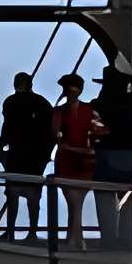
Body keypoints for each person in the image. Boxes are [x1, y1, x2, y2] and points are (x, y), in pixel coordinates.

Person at [0, 71, 52, 238]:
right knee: (34, 196)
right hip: (36, 157)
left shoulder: (10, 102)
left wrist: (1, 147)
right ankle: (32, 232)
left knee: (12, 194)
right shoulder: (42, 103)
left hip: (16, 155)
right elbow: (49, 132)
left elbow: (7, 127)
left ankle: (10, 231)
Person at [50, 73, 103, 245]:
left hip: (68, 159)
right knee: (76, 200)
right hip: (84, 160)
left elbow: (55, 135)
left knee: (73, 200)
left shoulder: (59, 112)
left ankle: (74, 238)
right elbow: (101, 131)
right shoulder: (90, 111)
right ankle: (76, 238)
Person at [92, 65, 132, 207]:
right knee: (128, 202)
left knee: (105, 203)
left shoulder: (100, 104)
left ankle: (110, 229)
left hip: (105, 155)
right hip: (131, 154)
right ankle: (128, 229)